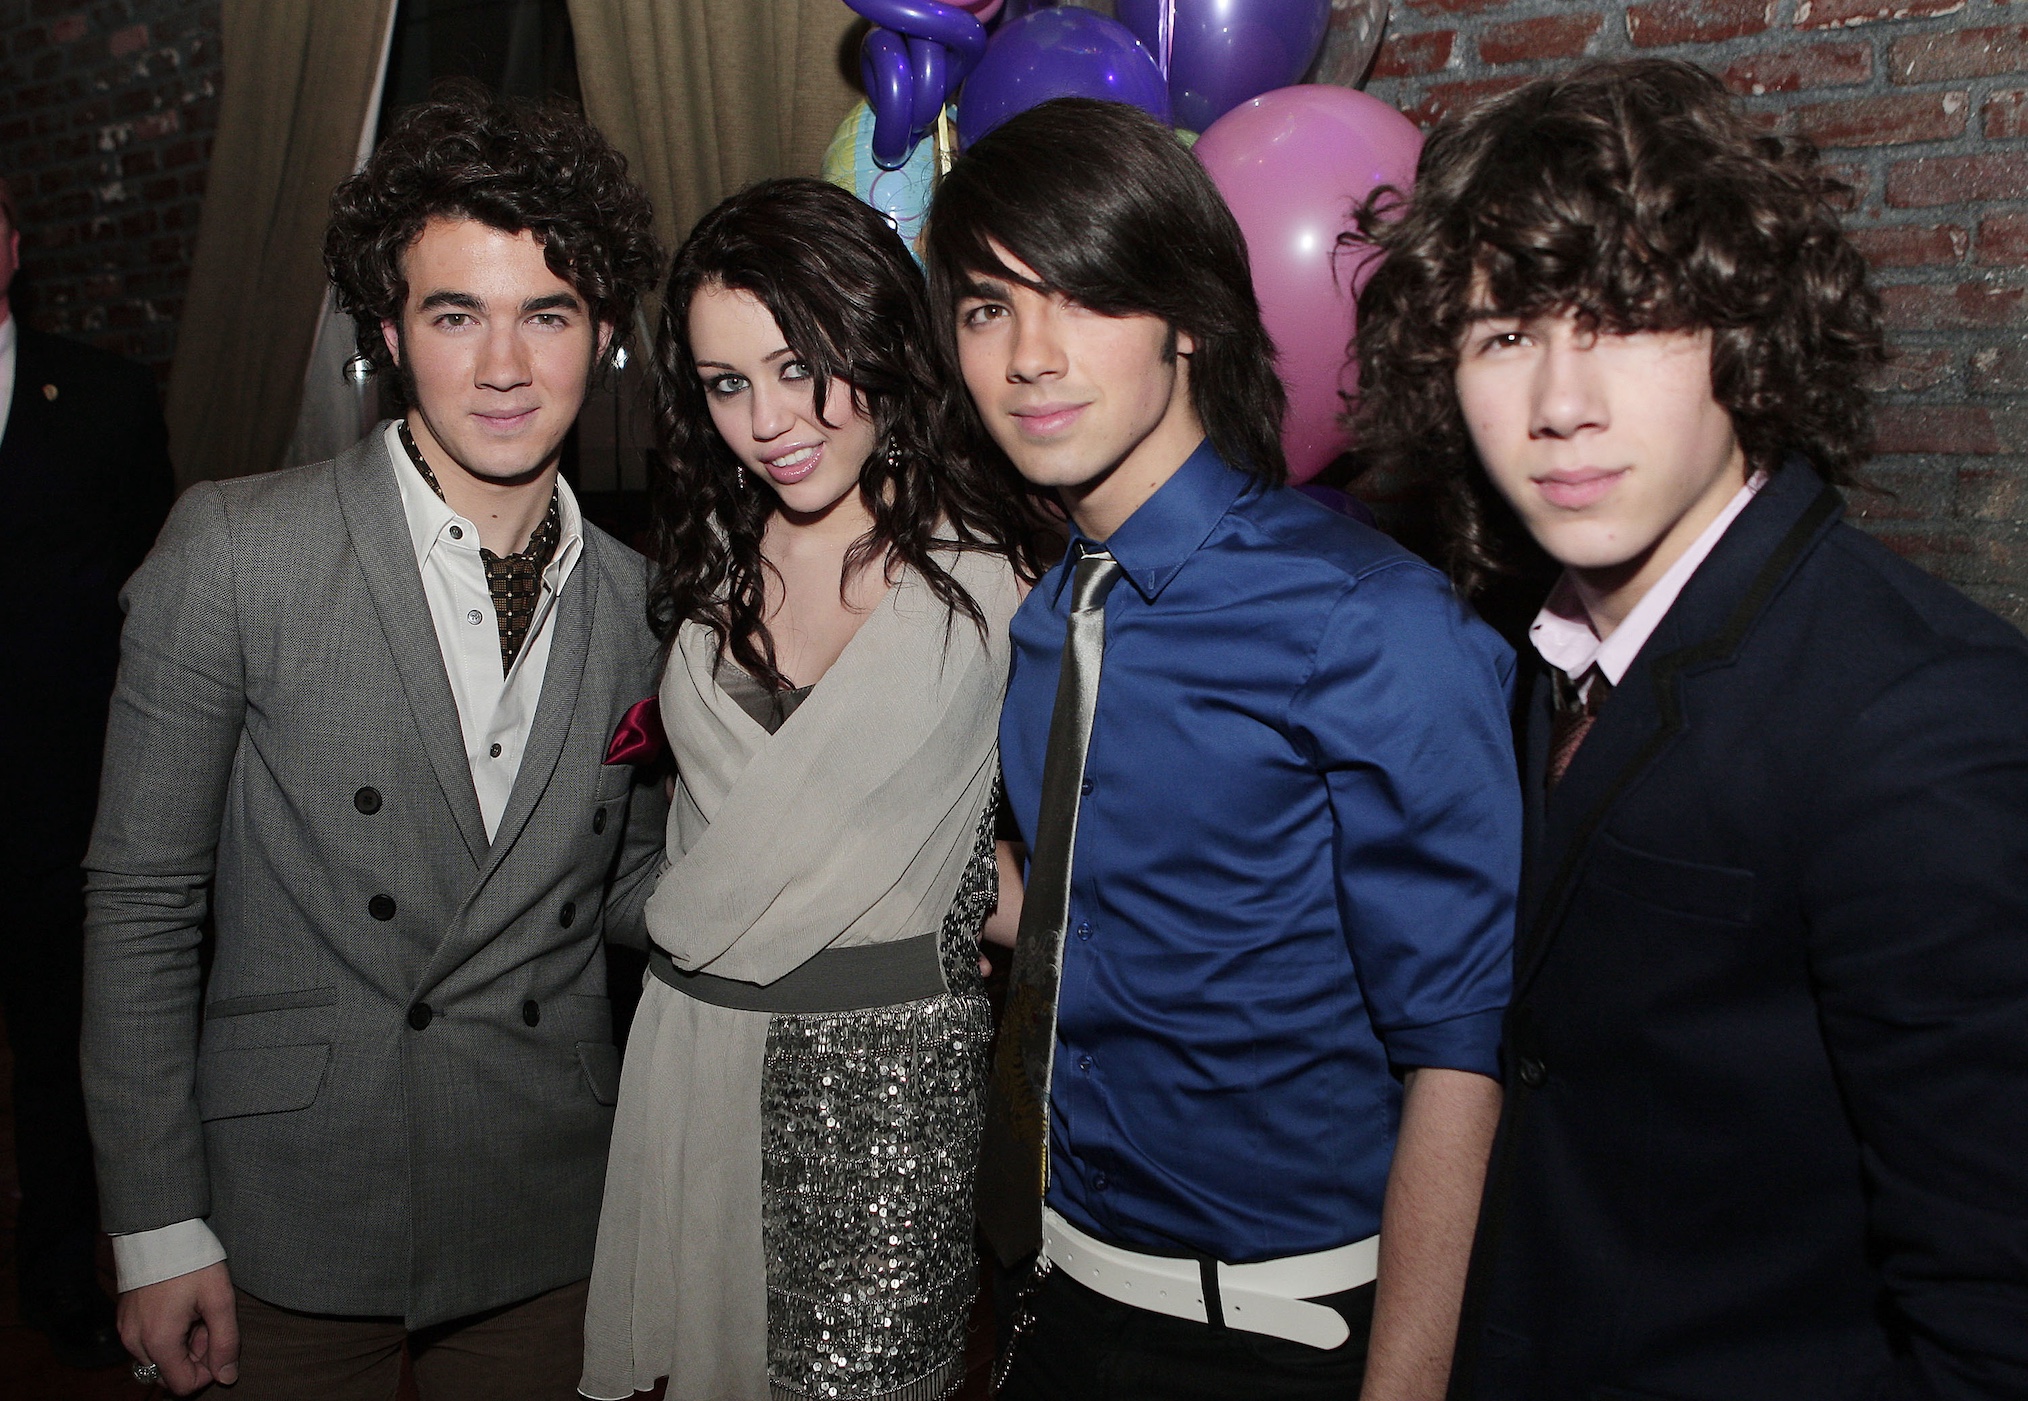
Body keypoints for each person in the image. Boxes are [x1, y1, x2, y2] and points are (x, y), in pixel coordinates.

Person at [1351, 58, 2028, 1400]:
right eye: (1503, 335)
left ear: (1746, 333)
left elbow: (1993, 1321)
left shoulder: (1924, 720)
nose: (1559, 403)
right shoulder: (1534, 658)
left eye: (1627, 318)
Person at [924, 98, 1522, 1401]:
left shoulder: (1368, 623)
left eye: (1079, 295)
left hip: (1273, 1331)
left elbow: (1461, 1056)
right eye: (985, 309)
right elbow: (1120, 912)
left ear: (1186, 316)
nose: (1029, 355)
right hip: (1055, 1290)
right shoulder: (1048, 619)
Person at [81, 86, 668, 1399]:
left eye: (548, 314)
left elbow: (622, 886)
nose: (503, 366)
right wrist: (155, 1220)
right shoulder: (236, 549)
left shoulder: (644, 604)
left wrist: (805, 872)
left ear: (608, 333)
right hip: (286, 1208)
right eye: (457, 314)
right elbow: (140, 898)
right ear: (393, 332)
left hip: (547, 1201)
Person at [577, 176, 1047, 1401]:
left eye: (799, 368)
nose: (767, 421)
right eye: (727, 384)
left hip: (888, 1088)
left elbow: (1010, 855)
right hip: (686, 1061)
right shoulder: (704, 561)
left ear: (880, 347)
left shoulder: (1002, 579)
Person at [0, 172, 175, 1371]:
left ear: (9, 244)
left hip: (58, 808)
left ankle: (63, 1277)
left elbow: (153, 618)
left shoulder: (106, 400)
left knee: (63, 1058)